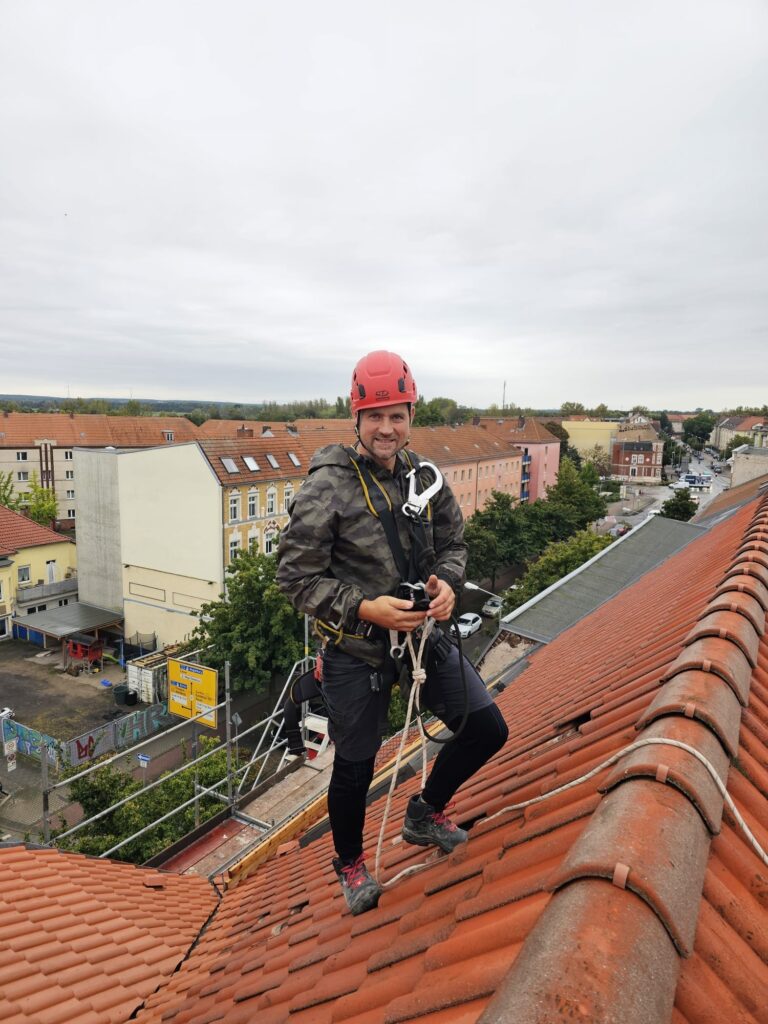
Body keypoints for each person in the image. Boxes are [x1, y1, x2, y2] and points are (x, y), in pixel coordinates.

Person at [277, 350, 509, 915]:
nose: (386, 428)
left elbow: (453, 543)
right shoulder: (327, 488)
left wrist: (447, 583)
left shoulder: (424, 477)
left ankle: (425, 812)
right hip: (356, 649)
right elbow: (295, 578)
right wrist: (365, 608)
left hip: (423, 639)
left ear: (411, 416)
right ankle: (350, 863)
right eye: (375, 416)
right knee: (356, 765)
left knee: (486, 728)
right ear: (355, 417)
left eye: (397, 416)